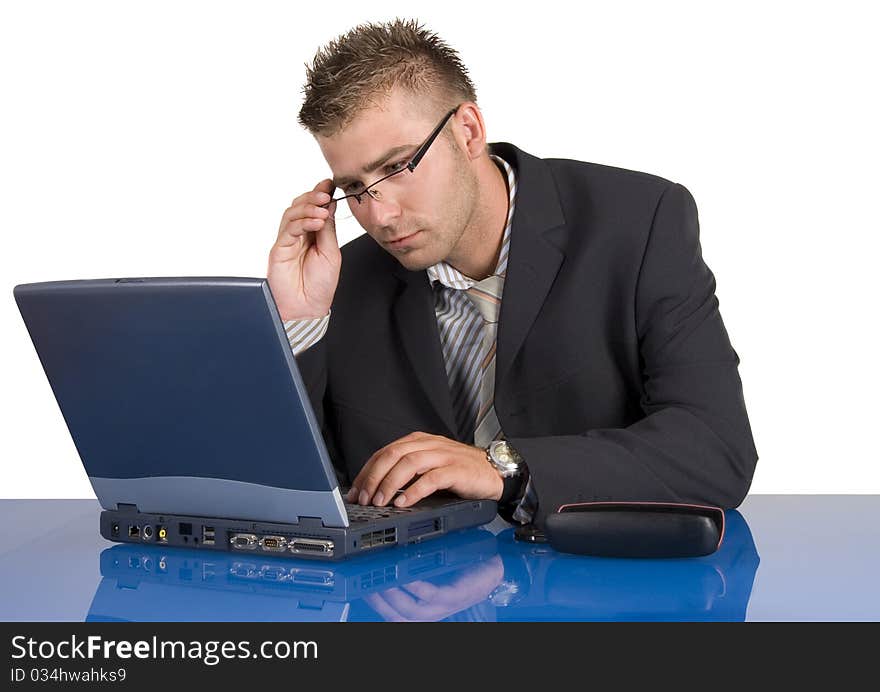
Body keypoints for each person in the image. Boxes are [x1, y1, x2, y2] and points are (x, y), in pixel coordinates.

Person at [266, 19, 758, 528]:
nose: (379, 214)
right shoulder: (343, 279)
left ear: (469, 131)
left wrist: (505, 469)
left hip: (592, 590)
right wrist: (300, 321)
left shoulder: (638, 222)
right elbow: (285, 493)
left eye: (397, 168)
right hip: (411, 599)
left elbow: (717, 450)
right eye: (354, 186)